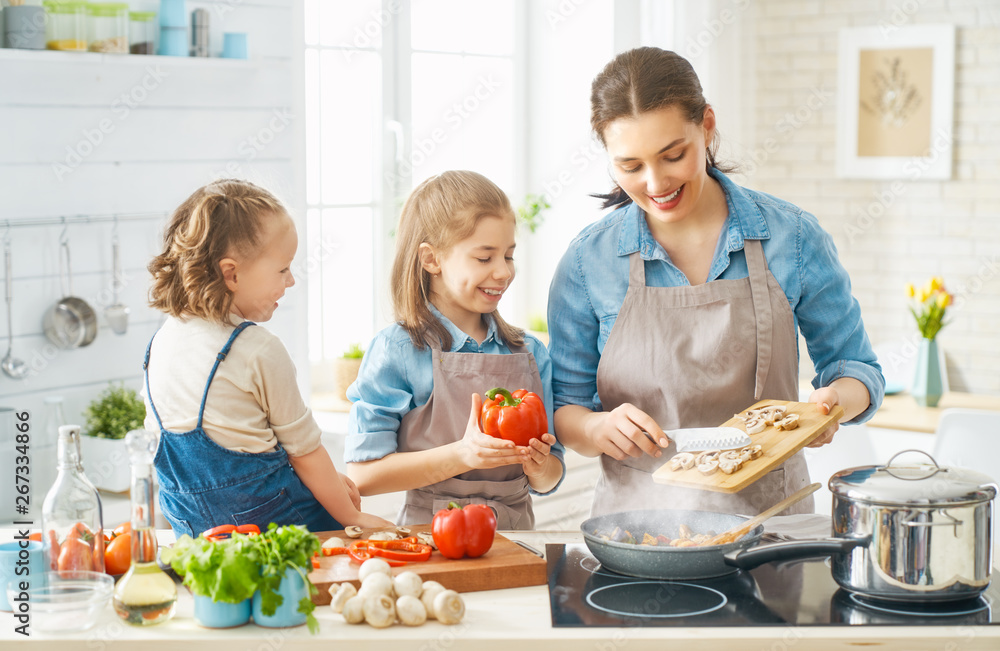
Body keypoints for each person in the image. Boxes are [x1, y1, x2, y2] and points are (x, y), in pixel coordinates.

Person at [547, 48, 885, 517]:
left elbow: (856, 367)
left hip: (770, 524)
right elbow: (565, 408)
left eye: (673, 155)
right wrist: (596, 429)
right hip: (637, 529)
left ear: (706, 126)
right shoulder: (588, 262)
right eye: (629, 166)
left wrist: (835, 404)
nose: (655, 182)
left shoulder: (794, 238)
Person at [144, 179, 392, 537]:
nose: (291, 281)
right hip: (279, 530)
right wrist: (354, 517)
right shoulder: (257, 349)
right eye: (282, 269)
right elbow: (305, 452)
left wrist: (327, 485)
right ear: (231, 274)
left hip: (197, 534)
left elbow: (225, 441)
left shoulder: (163, 340)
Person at [345, 170, 565, 529]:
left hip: (518, 537)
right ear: (432, 260)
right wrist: (462, 455)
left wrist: (539, 467)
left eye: (508, 256)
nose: (504, 272)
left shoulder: (530, 353)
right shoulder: (397, 350)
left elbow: (551, 475)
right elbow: (363, 475)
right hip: (431, 535)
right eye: (484, 258)